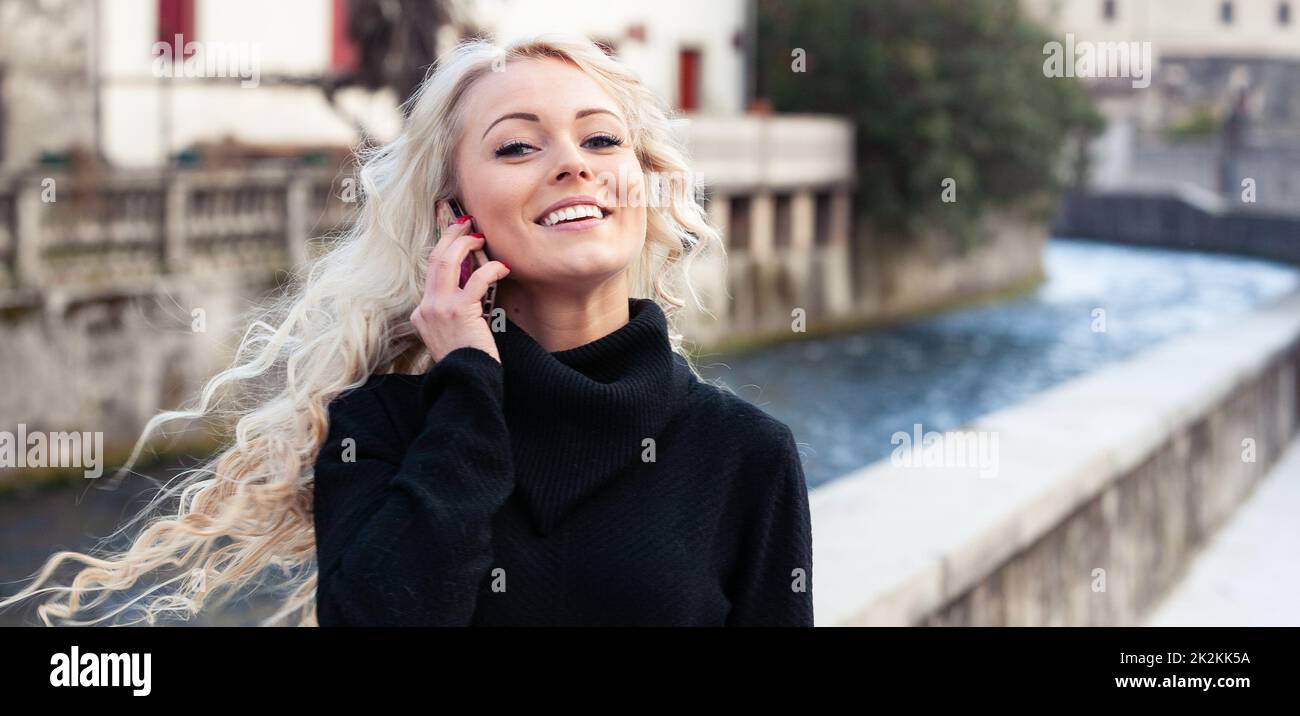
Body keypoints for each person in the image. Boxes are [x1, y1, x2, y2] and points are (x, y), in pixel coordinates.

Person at [1, 32, 813, 626]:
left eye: (603, 138)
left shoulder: (745, 454)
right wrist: (469, 384)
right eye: (520, 145)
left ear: (640, 183)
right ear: (456, 219)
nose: (574, 162)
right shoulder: (380, 433)